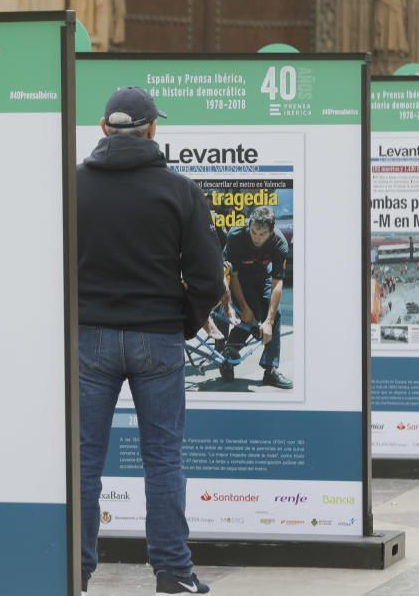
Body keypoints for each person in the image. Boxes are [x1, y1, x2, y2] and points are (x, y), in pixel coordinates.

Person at [77, 87, 223, 595]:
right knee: (163, 458)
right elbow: (209, 278)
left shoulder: (72, 185)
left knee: (84, 460)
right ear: (152, 130)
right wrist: (181, 321)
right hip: (157, 339)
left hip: (88, 340)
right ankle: (174, 574)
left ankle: (75, 572)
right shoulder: (180, 191)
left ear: (102, 128)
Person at [219, 206, 293, 388]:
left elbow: (277, 283)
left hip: (264, 277)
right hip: (240, 278)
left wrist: (268, 320)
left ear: (271, 231)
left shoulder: (280, 243)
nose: (257, 237)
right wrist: (243, 308)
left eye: (262, 234)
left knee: (274, 315)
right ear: (249, 225)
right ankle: (229, 355)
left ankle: (270, 370)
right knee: (251, 314)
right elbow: (233, 276)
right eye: (253, 232)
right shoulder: (236, 235)